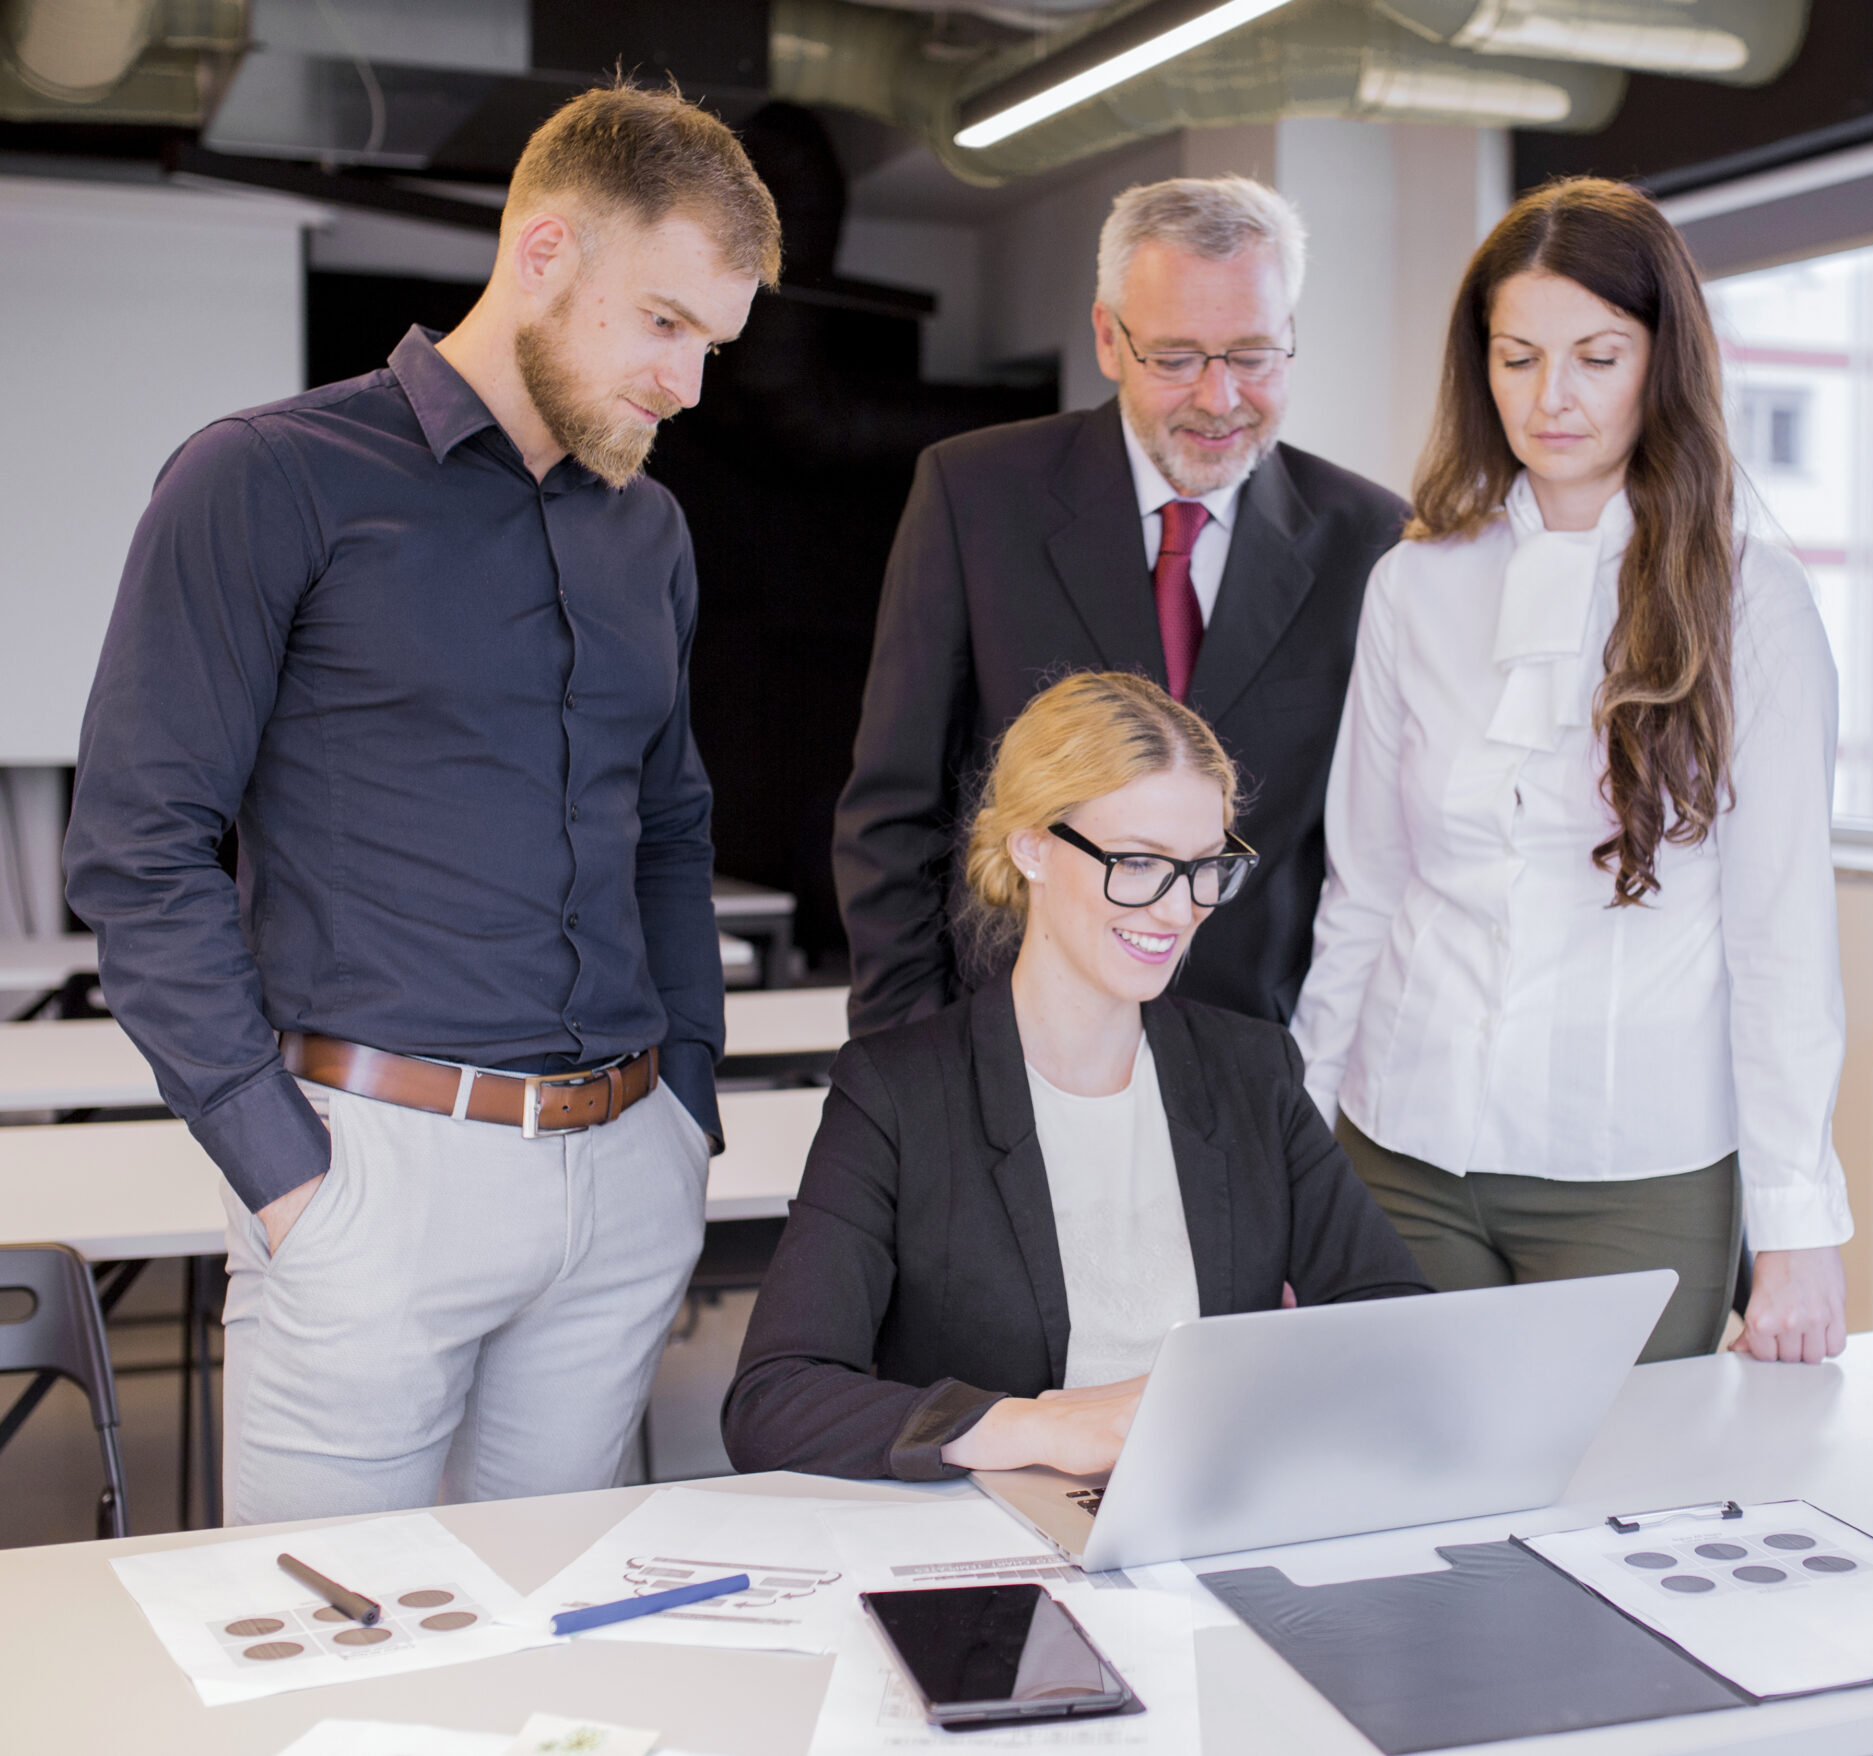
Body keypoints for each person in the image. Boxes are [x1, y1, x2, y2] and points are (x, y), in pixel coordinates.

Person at [61, 85, 781, 1525]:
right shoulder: (266, 478)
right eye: (662, 323)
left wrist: (684, 1108)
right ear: (544, 251)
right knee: (329, 1661)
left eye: (713, 343)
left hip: (622, 1171)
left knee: (543, 1654)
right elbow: (139, 851)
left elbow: (670, 827)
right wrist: (283, 1177)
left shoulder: (648, 525)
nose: (688, 386)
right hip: (373, 1172)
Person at [1291, 177, 1853, 1367]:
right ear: (1478, 367)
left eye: (1597, 356)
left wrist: (1800, 1223)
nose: (1552, 398)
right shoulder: (1415, 583)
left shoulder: (1752, 596)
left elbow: (1779, 935)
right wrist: (1299, 1136)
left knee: (1621, 1515)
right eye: (1517, 356)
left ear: (1661, 361)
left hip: (1631, 1172)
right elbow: (1365, 892)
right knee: (1401, 1500)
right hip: (1402, 1145)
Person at [727, 673, 1429, 1480]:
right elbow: (774, 1399)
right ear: (1032, 845)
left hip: (1210, 1518)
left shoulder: (1253, 1071)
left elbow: (1392, 1320)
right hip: (991, 1550)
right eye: (1138, 863)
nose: (1177, 910)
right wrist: (1031, 1429)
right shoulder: (897, 1093)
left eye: (1205, 867)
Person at [833, 176, 1408, 1037]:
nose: (1219, 400)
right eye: (1175, 359)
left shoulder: (1372, 540)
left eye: (1252, 355)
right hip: (1008, 1052)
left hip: (1249, 1071)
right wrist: (912, 1064)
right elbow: (893, 817)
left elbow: (1366, 859)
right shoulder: (975, 495)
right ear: (1108, 337)